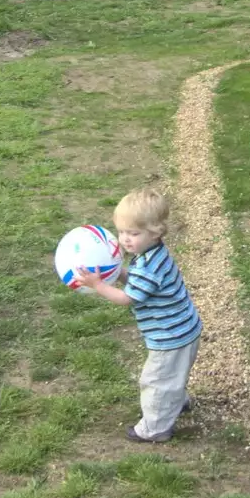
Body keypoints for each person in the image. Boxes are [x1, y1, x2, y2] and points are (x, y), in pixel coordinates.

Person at [74, 189, 202, 443]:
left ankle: (155, 428)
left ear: (155, 232)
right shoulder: (150, 256)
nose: (125, 240)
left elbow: (126, 298)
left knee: (155, 379)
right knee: (172, 373)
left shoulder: (148, 266)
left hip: (170, 336)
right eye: (122, 232)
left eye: (133, 233)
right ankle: (176, 401)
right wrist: (117, 272)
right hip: (182, 329)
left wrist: (98, 285)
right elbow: (136, 282)